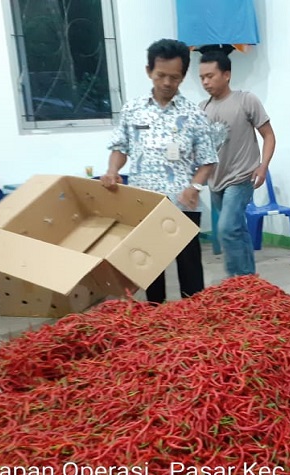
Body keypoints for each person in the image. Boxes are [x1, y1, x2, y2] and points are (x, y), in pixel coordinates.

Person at [101, 39, 218, 304]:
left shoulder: (194, 115)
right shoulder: (133, 110)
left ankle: (194, 319)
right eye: (160, 75)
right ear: (148, 71)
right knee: (150, 268)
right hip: (144, 203)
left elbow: (208, 160)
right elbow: (121, 148)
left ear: (183, 76)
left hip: (183, 204)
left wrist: (195, 187)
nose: (167, 83)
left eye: (174, 77)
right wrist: (112, 170)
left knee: (189, 268)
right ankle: (156, 316)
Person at [198, 48, 276, 277]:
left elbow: (269, 135)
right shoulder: (202, 108)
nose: (205, 82)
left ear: (226, 75)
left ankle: (235, 283)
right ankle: (250, 282)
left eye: (210, 76)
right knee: (238, 229)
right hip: (216, 181)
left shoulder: (245, 100)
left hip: (242, 177)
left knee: (226, 229)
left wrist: (263, 165)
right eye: (201, 77)